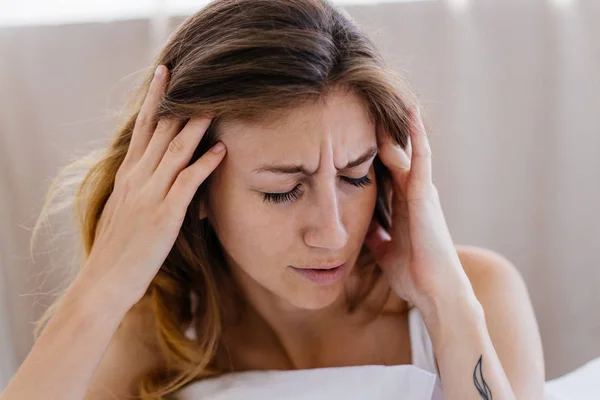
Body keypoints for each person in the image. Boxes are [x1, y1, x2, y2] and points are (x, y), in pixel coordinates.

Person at [0, 0, 545, 399]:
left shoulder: (476, 294)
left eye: (356, 176)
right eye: (282, 190)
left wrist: (447, 305)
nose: (332, 233)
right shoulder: (155, 337)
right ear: (194, 192)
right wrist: (104, 286)